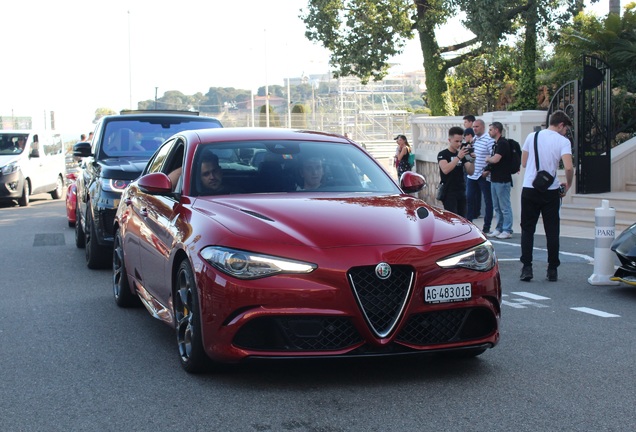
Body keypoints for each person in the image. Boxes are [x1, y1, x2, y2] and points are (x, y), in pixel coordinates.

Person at [519, 110, 574, 282]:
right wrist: (569, 184)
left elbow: (523, 162)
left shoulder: (532, 136)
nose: (565, 133)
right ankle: (552, 269)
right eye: (565, 129)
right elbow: (569, 167)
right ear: (561, 125)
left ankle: (527, 268)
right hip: (550, 190)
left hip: (529, 187)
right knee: (552, 230)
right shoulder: (563, 141)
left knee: (527, 229)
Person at [484, 122, 513, 239]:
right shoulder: (496, 144)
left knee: (505, 206)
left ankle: (507, 229)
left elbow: (496, 159)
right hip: (494, 179)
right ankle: (499, 228)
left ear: (496, 130)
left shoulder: (503, 144)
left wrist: (488, 159)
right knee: (497, 206)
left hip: (502, 180)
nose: (489, 132)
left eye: (490, 130)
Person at [437, 126, 474, 216]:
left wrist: (472, 161)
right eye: (456, 141)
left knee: (463, 219)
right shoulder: (443, 154)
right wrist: (458, 158)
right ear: (450, 140)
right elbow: (445, 169)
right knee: (452, 219)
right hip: (449, 192)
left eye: (461, 141)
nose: (459, 144)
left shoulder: (462, 154)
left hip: (461, 190)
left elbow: (470, 172)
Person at [465, 119, 494, 233]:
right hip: (472, 175)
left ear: (482, 127)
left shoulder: (489, 140)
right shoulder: (474, 140)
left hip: (483, 176)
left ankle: (487, 227)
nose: (475, 129)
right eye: (474, 127)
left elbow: (493, 156)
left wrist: (488, 170)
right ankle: (469, 225)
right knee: (469, 199)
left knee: (488, 201)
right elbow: (469, 156)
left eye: (477, 126)